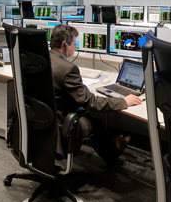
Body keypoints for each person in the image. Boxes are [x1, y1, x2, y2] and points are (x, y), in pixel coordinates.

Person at [42, 24, 145, 169]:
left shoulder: (42, 59)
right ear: (65, 45)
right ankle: (113, 158)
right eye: (74, 44)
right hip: (60, 125)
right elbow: (90, 101)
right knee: (97, 124)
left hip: (42, 119)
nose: (76, 48)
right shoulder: (67, 69)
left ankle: (114, 149)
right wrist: (123, 101)